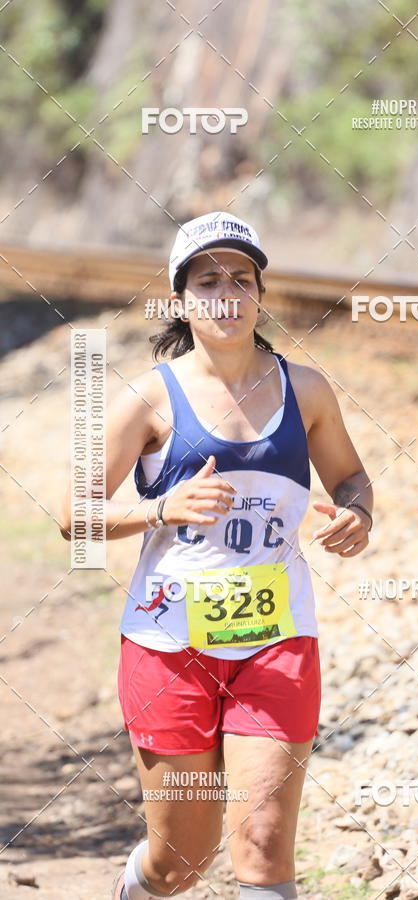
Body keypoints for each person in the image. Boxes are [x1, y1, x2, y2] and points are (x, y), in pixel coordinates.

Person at [59, 211, 374, 900]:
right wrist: (158, 508)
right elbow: (71, 513)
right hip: (168, 644)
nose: (226, 293)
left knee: (262, 843)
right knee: (181, 863)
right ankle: (135, 886)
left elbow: (351, 477)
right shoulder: (148, 398)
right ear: (180, 300)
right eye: (208, 281)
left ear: (259, 294)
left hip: (277, 639)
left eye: (242, 278)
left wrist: (357, 513)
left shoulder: (307, 391)